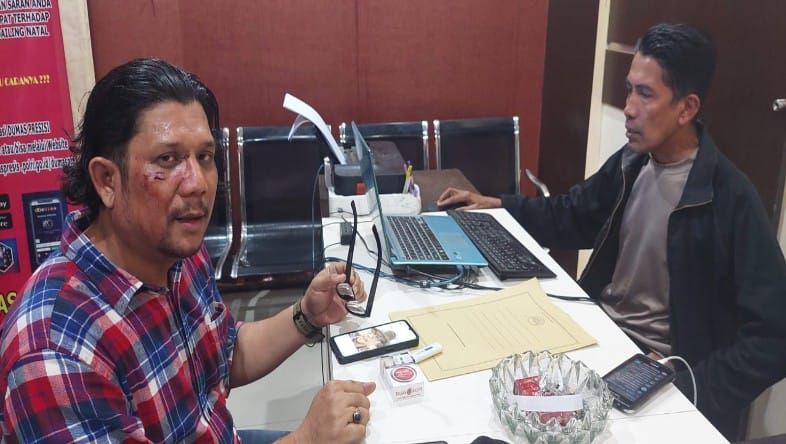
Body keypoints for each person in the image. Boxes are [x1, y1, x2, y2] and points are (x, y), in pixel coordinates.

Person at [438, 23, 786, 440]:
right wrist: (499, 205)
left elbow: (774, 338)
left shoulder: (730, 198)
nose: (628, 108)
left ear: (686, 108)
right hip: (599, 338)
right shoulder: (632, 163)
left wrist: (690, 386)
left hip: (657, 375)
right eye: (628, 90)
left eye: (645, 94)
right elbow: (573, 214)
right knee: (479, 387)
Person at [0, 58, 375, 443]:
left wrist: (307, 315)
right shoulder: (54, 352)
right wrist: (306, 439)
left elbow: (224, 354)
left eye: (204, 157)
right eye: (168, 159)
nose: (198, 183)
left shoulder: (175, 254)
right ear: (106, 180)